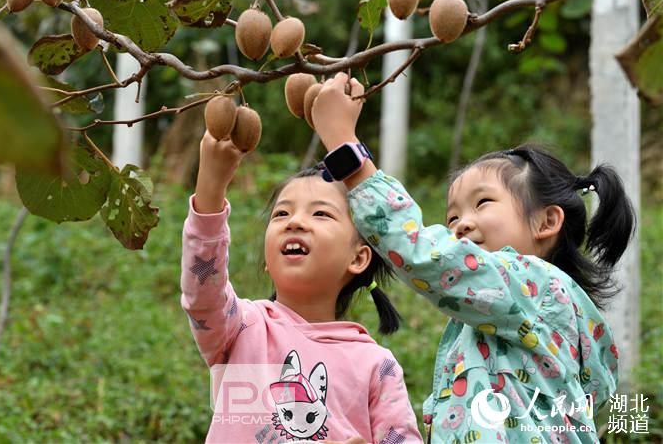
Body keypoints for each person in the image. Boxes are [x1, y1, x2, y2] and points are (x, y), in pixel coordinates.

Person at [312, 73, 635, 444]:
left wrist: (346, 151)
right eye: (452, 218)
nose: (462, 225)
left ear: (547, 221)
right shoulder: (502, 324)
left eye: (482, 203)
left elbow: (427, 256)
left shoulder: (535, 285)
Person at [181, 128, 423, 443]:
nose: (294, 222)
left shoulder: (375, 365)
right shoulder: (241, 328)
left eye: (321, 213)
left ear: (359, 258)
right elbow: (202, 291)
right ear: (268, 260)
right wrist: (211, 188)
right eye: (281, 213)